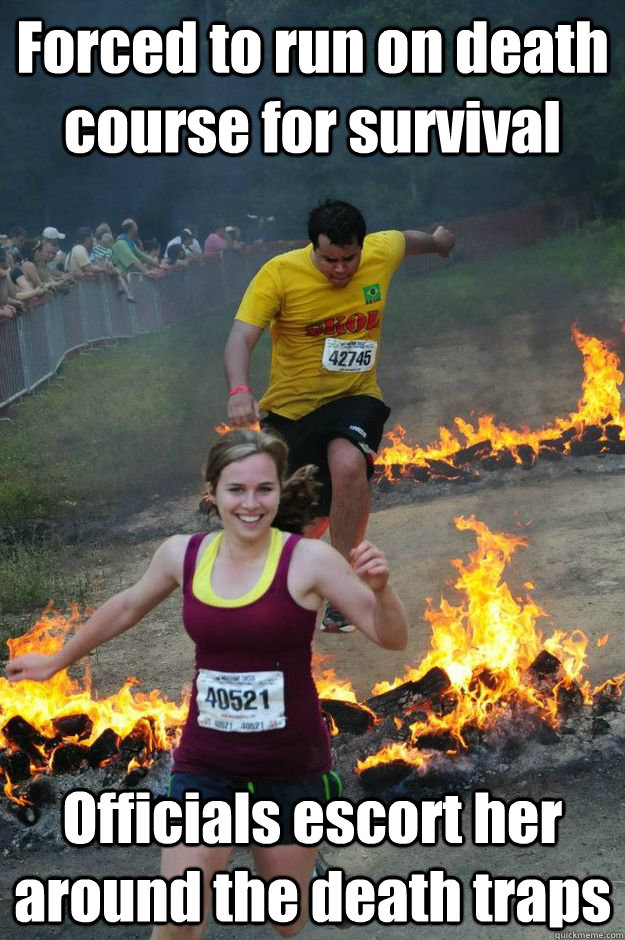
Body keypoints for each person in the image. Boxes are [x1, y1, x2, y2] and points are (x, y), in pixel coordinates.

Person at [7, 429, 408, 940]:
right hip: (206, 764)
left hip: (291, 766)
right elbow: (127, 605)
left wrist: (382, 590)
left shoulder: (310, 560)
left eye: (264, 489)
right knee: (177, 918)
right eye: (236, 489)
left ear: (280, 493)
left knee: (286, 921)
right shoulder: (183, 555)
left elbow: (389, 636)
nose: (250, 503)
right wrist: (57, 660)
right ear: (212, 492)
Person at [225, 198, 455, 632]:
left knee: (348, 462)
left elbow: (412, 241)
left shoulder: (381, 251)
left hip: (355, 396)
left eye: (350, 259)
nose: (341, 269)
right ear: (314, 247)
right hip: (292, 411)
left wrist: (441, 242)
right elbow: (241, 338)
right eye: (330, 259)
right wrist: (239, 391)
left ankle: (343, 588)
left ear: (361, 248)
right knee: (303, 526)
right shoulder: (279, 274)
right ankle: (267, 598)